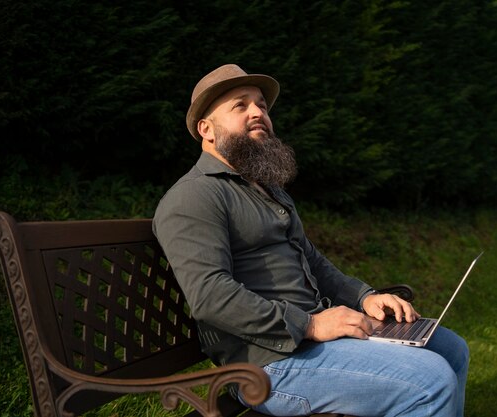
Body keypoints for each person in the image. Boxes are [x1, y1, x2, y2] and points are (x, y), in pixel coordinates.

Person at [153, 64, 469, 417]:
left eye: (262, 106)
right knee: (430, 381)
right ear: (206, 130)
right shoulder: (195, 196)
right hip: (265, 364)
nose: (258, 112)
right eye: (240, 106)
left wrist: (365, 297)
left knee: (452, 349)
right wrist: (312, 324)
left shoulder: (268, 190)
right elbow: (211, 297)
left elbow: (314, 261)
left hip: (308, 342)